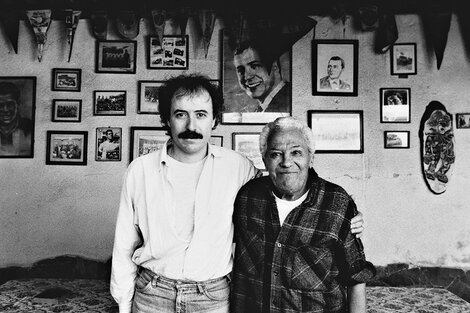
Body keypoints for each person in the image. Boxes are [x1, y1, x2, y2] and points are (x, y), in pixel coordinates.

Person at [110, 74, 365, 313]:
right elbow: (124, 245)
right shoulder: (139, 171)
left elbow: (286, 180)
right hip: (153, 293)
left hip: (212, 298)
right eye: (180, 114)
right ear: (167, 119)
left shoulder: (237, 167)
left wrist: (342, 212)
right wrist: (123, 304)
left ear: (214, 120)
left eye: (200, 114)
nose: (191, 125)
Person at [231, 116, 375, 313]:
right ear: (264, 159)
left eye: (296, 152)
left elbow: (356, 276)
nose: (286, 162)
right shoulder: (247, 197)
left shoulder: (337, 203)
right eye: (275, 154)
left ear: (311, 157)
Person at [233, 40, 290, 113]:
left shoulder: (290, 102)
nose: (247, 77)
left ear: (275, 66)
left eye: (254, 66)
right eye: (240, 70)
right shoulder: (262, 108)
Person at [0, 82, 33, 156]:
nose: (5, 110)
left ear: (18, 103)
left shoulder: (29, 127)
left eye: (10, 104)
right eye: (0, 105)